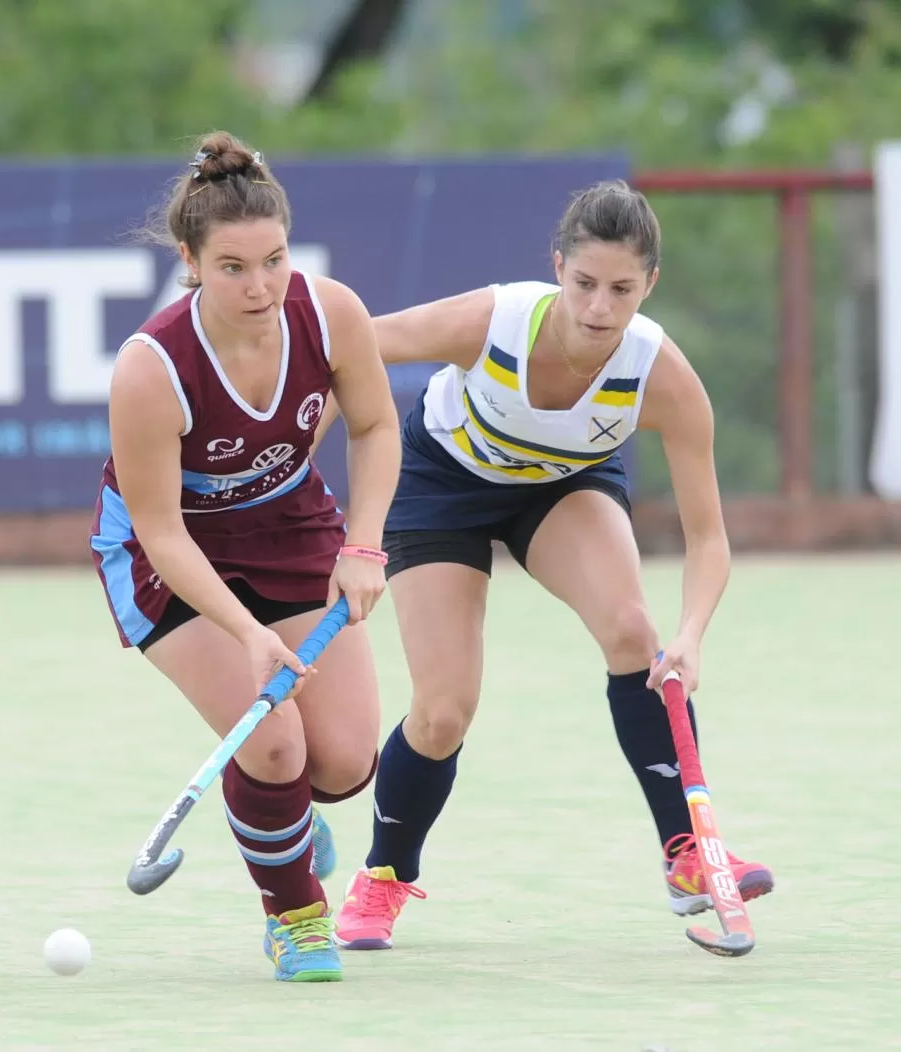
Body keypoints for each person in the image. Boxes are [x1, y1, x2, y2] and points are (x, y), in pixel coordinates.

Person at [317, 179, 774, 950]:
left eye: (623, 289)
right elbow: (353, 347)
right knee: (443, 710)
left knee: (637, 634)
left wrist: (690, 635)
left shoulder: (663, 377)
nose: (600, 308)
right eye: (585, 283)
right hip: (443, 486)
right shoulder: (491, 321)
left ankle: (688, 855)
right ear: (557, 265)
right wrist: (302, 469)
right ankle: (384, 876)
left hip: (563, 487)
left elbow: (708, 538)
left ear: (650, 284)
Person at [90, 132, 401, 982]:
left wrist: (364, 542)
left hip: (288, 524)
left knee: (339, 763)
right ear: (190, 261)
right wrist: (246, 633)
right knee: (271, 745)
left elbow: (374, 426)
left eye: (273, 260)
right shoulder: (151, 369)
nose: (260, 286)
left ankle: (285, 819)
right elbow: (161, 531)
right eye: (232, 268)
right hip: (169, 557)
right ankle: (295, 916)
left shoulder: (330, 312)